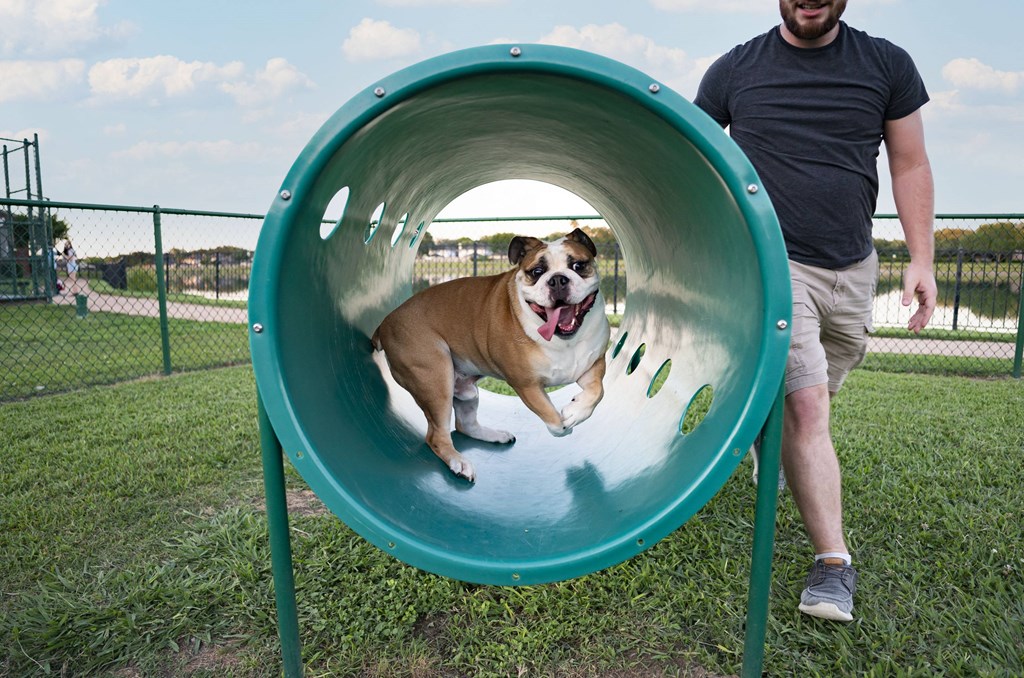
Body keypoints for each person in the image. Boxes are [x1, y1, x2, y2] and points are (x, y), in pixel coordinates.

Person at [695, 0, 937, 622]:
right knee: (808, 407)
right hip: (776, 267)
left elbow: (910, 161)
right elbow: (687, 157)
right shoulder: (734, 71)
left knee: (828, 378)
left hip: (854, 265)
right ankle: (833, 566)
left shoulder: (886, 64)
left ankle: (764, 438)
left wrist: (921, 258)